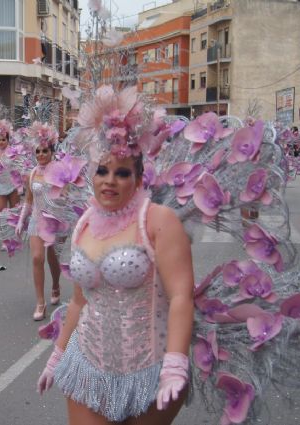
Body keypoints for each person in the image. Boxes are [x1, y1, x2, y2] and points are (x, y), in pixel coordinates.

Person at [37, 87, 194, 424]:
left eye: (122, 173)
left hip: (150, 372)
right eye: (102, 171)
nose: (110, 181)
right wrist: (58, 355)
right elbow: (80, 302)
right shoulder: (84, 223)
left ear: (138, 179)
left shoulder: (158, 221)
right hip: (87, 365)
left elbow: (182, 296)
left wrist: (176, 363)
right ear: (91, 174)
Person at [16, 142, 62, 320]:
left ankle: (56, 285)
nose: (41, 154)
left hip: (54, 220)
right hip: (36, 220)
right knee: (37, 258)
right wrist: (21, 220)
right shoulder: (32, 173)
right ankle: (40, 303)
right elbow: (28, 199)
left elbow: (66, 195)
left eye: (45, 151)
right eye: (38, 151)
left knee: (53, 257)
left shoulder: (59, 171)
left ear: (51, 152)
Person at [0, 122, 20, 210]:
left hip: (13, 185)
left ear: (8, 140)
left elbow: (19, 168)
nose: (1, 142)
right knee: (2, 212)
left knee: (15, 211)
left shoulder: (14, 152)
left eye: (3, 139)